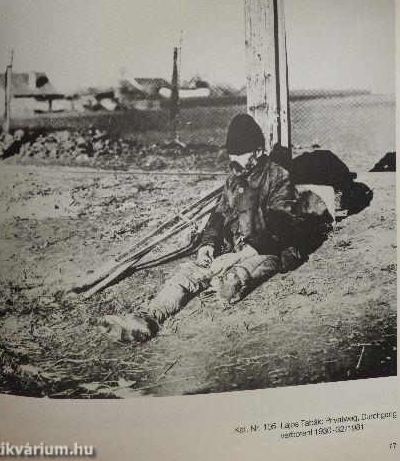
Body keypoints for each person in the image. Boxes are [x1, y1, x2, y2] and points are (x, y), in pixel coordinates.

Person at [98, 114, 334, 343]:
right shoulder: (234, 177)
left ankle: (228, 282)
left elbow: (281, 226)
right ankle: (150, 319)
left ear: (257, 153)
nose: (233, 160)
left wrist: (239, 255)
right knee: (186, 275)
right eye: (231, 154)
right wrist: (208, 243)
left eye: (239, 154)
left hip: (267, 249)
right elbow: (219, 214)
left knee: (235, 277)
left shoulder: (278, 176)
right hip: (234, 247)